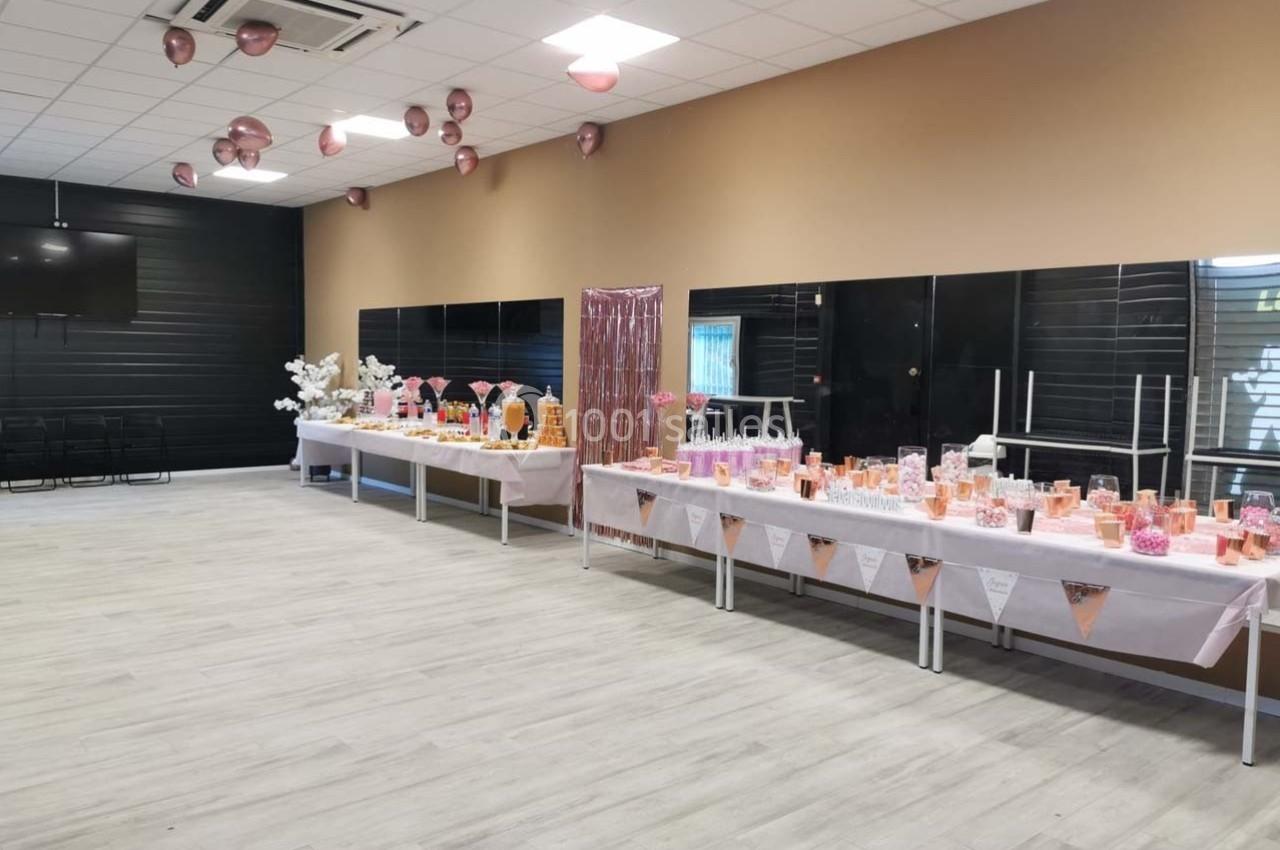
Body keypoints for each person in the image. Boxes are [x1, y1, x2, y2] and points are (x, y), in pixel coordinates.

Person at [1230, 345, 1280, 491]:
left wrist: (1246, 379)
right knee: (1252, 449)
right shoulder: (1265, 377)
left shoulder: (1265, 376)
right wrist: (1246, 381)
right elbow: (1255, 398)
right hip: (1264, 414)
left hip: (1276, 415)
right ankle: (1235, 484)